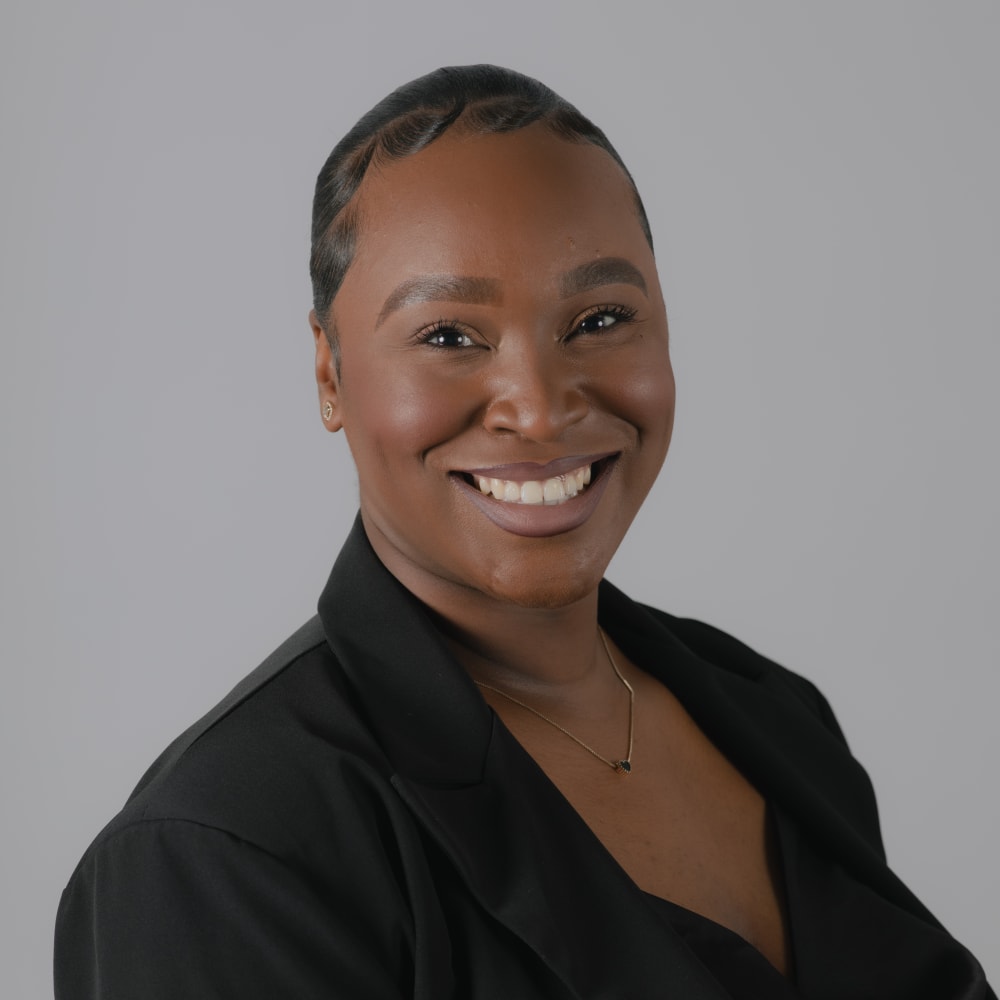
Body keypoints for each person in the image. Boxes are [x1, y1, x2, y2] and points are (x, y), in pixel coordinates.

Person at [54, 64, 994, 999]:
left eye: (599, 318)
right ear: (329, 374)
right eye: (450, 336)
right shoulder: (220, 856)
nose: (540, 410)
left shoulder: (778, 717)